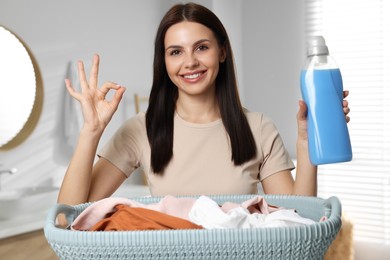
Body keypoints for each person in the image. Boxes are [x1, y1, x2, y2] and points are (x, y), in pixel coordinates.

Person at [57, 2, 351, 207]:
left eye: (201, 47)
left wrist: (306, 141)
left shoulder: (258, 128)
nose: (190, 62)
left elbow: (296, 218)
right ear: (165, 61)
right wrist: (91, 131)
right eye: (175, 52)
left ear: (222, 52)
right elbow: (68, 215)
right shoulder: (141, 130)